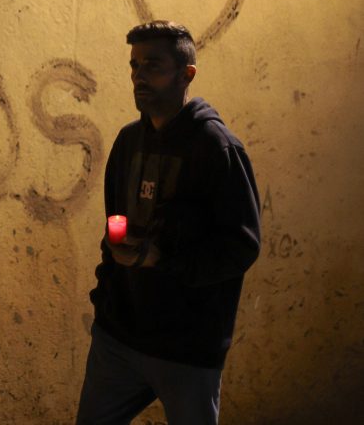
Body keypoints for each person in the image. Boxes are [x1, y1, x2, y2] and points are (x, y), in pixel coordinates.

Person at [75, 21, 261, 425]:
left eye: (153, 65)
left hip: (186, 348)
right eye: (134, 65)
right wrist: (106, 300)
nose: (139, 76)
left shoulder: (216, 147)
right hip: (119, 338)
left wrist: (163, 260)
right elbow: (113, 228)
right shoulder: (128, 142)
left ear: (186, 74)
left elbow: (241, 246)